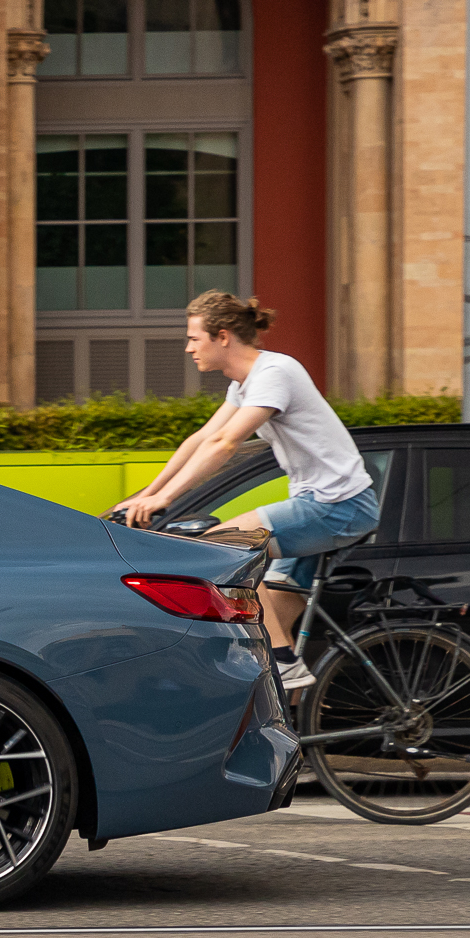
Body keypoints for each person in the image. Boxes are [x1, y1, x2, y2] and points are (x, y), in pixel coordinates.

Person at [113, 292, 377, 691]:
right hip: (318, 502)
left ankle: (287, 666)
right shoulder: (246, 382)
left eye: (193, 339)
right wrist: (146, 493)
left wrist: (166, 500)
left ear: (222, 337)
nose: (188, 349)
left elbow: (226, 444)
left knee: (223, 551)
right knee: (269, 632)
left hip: (339, 504)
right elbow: (201, 439)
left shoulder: (275, 374)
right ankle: (289, 707)